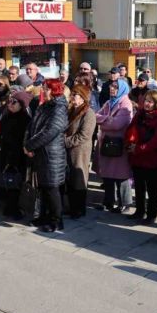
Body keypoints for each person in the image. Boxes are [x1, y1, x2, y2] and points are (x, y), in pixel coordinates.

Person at [24, 79, 69, 232]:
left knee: (52, 188)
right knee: (43, 187)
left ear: (54, 90)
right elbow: (32, 126)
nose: (43, 90)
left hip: (52, 155)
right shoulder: (44, 106)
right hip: (40, 153)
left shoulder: (59, 107)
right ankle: (43, 216)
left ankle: (57, 221)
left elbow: (50, 131)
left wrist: (30, 145)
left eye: (46, 88)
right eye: (43, 88)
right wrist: (27, 143)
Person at [126, 89, 157, 224]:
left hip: (152, 158)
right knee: (139, 187)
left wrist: (138, 148)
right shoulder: (139, 114)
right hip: (137, 157)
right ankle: (139, 211)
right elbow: (130, 129)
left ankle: (151, 214)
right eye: (146, 100)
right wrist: (129, 144)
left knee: (152, 189)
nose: (147, 104)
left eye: (150, 101)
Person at [94, 79, 133, 212]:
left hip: (119, 144)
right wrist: (108, 119)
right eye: (111, 86)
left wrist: (104, 120)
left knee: (121, 175)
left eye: (115, 87)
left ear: (122, 89)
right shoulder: (109, 102)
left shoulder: (125, 103)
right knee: (107, 174)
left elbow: (117, 124)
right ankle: (108, 202)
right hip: (107, 142)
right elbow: (95, 116)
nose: (112, 89)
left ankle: (125, 204)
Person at [0, 90, 32, 220]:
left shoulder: (25, 119)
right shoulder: (8, 115)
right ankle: (9, 206)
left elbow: (22, 139)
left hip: (17, 155)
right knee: (8, 180)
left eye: (14, 102)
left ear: (22, 104)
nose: (10, 104)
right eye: (10, 101)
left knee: (16, 181)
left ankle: (14, 207)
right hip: (6, 153)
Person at [65, 84, 97, 219]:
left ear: (83, 97)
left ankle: (79, 209)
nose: (72, 97)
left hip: (80, 151)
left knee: (79, 179)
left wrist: (65, 142)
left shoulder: (88, 113)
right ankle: (72, 207)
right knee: (70, 179)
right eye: (72, 94)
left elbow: (84, 135)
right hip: (70, 149)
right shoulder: (72, 109)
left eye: (75, 95)